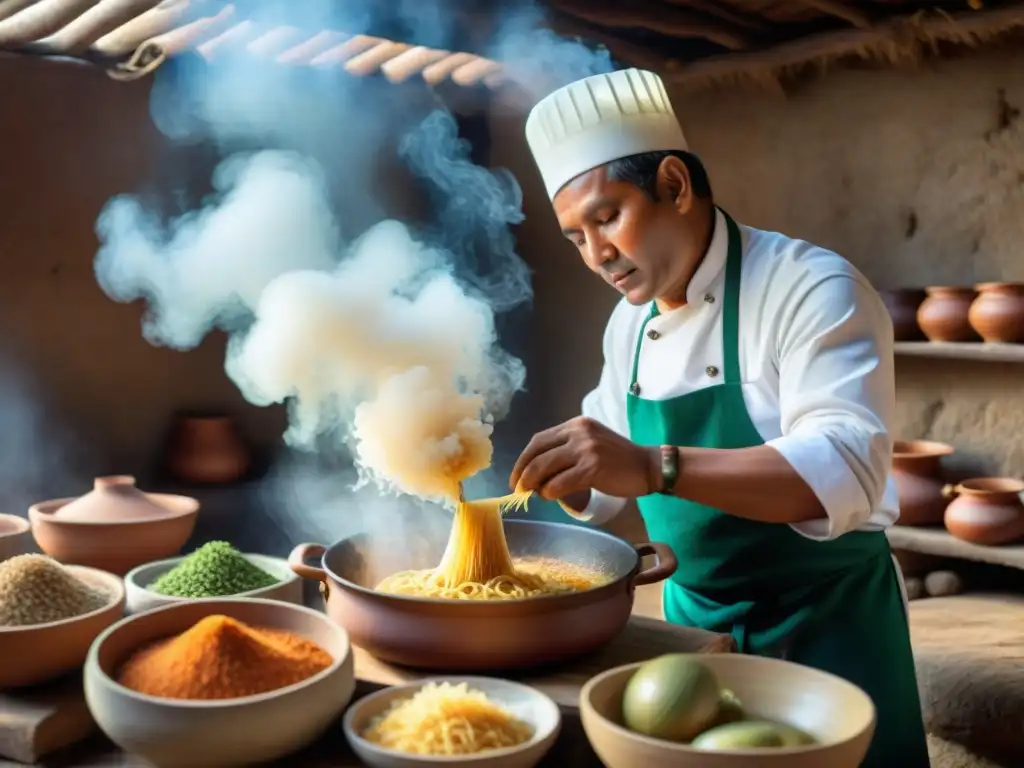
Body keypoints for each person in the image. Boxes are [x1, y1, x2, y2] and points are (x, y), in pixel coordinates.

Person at [511, 68, 930, 766]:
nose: (597, 255)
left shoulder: (810, 286)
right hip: (693, 643)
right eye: (574, 238)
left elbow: (847, 468)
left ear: (674, 184)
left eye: (607, 217)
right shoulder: (628, 327)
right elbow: (608, 472)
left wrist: (653, 464)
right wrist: (567, 477)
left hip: (827, 625)